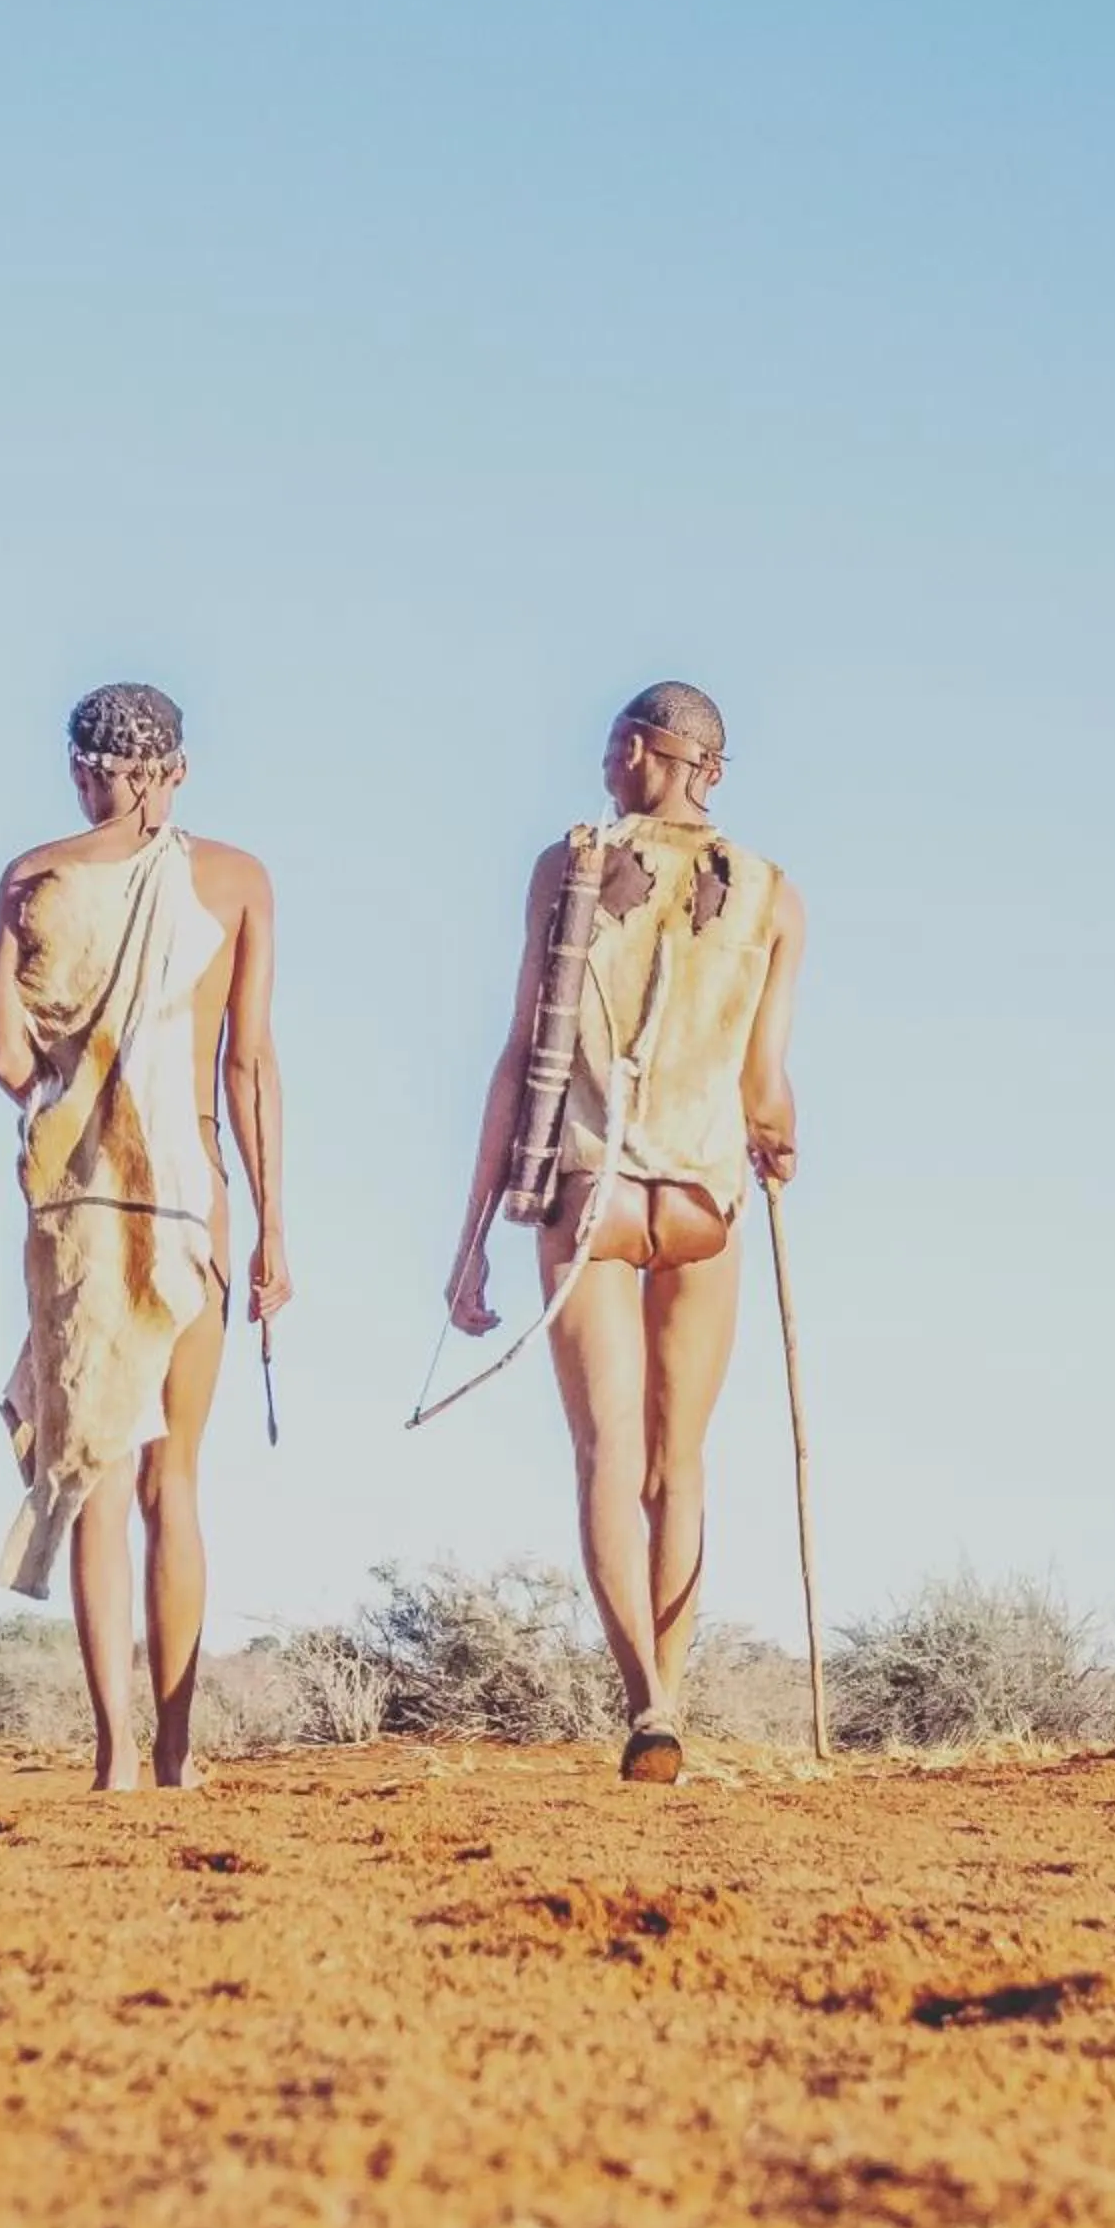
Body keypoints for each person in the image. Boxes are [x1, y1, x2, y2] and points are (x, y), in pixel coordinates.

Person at [441, 682, 804, 1785]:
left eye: (615, 750)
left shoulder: (570, 870)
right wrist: (778, 1143)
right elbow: (767, 1088)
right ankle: (675, 1697)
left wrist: (470, 1237)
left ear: (657, 752)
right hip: (702, 1200)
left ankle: (646, 1701)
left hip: (589, 1195)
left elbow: (521, 1056)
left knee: (608, 1457)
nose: (603, 770)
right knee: (678, 1464)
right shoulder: (775, 897)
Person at [0, 683, 292, 1791]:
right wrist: (271, 1231)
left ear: (81, 770)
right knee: (178, 1482)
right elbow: (248, 1065)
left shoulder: (33, 878)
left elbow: (7, 1065)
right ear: (180, 770)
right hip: (189, 1202)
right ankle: (175, 1750)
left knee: (99, 1481)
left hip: (77, 1199)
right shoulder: (238, 881)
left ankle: (113, 1753)